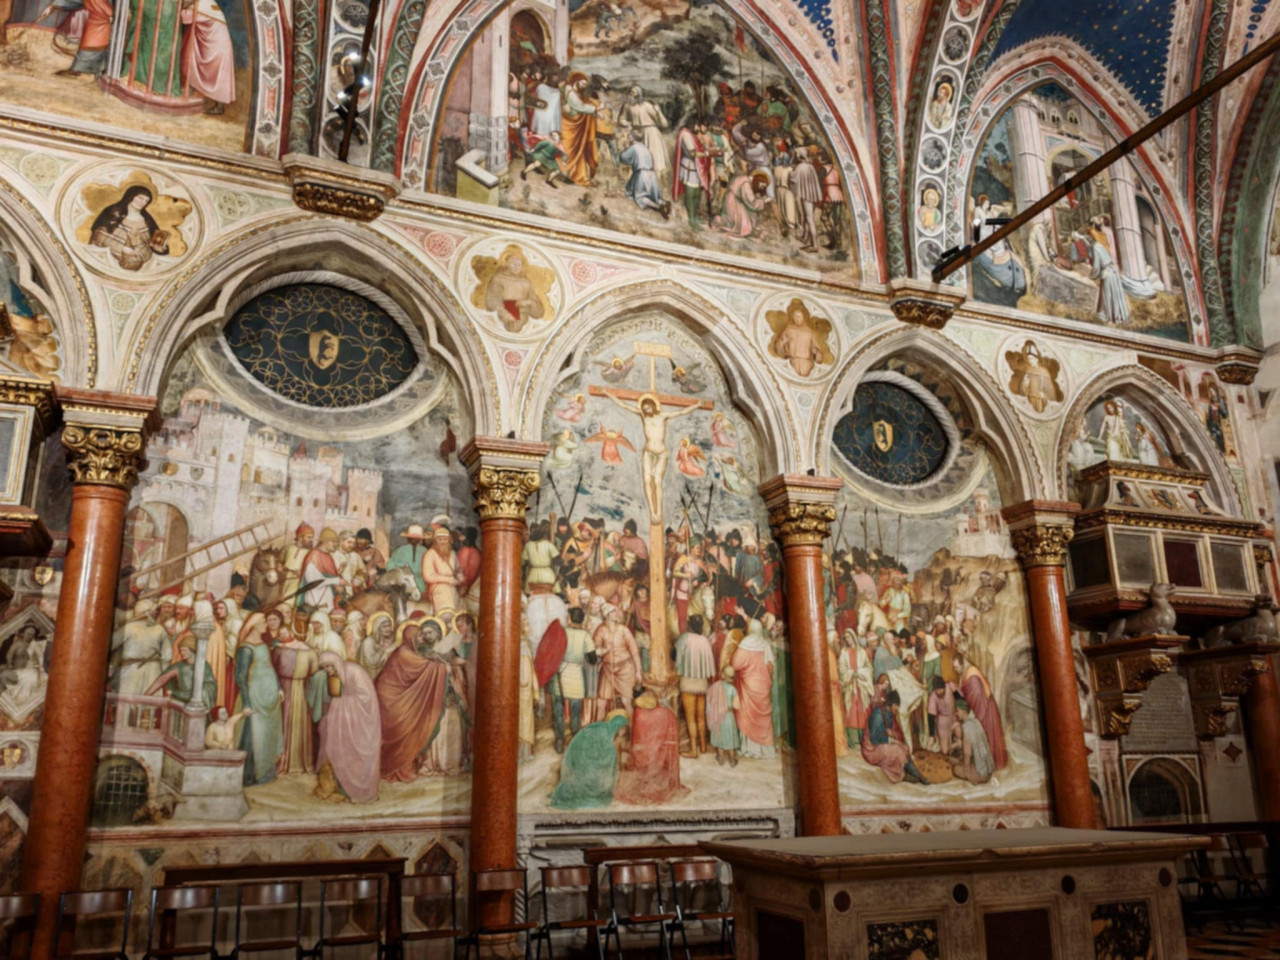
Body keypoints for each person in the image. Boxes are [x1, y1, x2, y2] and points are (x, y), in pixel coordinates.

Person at [375, 620, 450, 782]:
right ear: (411, 638)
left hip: (398, 700)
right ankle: (398, 770)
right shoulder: (404, 653)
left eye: (423, 635)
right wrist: (443, 667)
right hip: (392, 701)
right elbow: (426, 668)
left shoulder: (408, 651)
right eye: (419, 636)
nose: (423, 639)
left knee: (407, 734)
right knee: (403, 733)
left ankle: (404, 768)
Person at [310, 651, 382, 802]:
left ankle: (355, 791)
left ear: (336, 663)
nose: (327, 670)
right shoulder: (336, 675)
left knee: (354, 754)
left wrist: (340, 702)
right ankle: (336, 787)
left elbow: (365, 697)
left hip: (361, 721)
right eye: (324, 667)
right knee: (333, 744)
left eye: (329, 666)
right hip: (346, 721)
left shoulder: (353, 671)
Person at [235, 612, 285, 786]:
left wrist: (278, 687)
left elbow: (269, 667)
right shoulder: (245, 648)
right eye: (263, 621)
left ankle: (266, 773)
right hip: (255, 696)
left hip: (269, 696)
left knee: (267, 733)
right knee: (254, 733)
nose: (266, 623)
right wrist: (246, 702)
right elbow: (240, 677)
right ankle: (250, 776)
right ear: (254, 625)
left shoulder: (262, 644)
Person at [615, 690, 688, 805]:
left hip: (643, 760)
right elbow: (673, 717)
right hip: (658, 761)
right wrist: (665, 701)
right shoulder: (664, 713)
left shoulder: (638, 712)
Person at [549, 710, 629, 809]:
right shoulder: (607, 737)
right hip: (583, 763)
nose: (622, 732)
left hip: (579, 761)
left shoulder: (601, 727)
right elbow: (609, 759)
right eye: (622, 729)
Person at [272, 627, 320, 775]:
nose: (283, 635)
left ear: (292, 632)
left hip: (301, 689)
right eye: (280, 634)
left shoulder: (307, 650)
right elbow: (273, 668)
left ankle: (300, 763)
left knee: (300, 721)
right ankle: (283, 761)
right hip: (284, 688)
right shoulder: (278, 650)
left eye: (285, 632)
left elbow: (314, 670)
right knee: (284, 721)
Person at [89, 186, 171, 271]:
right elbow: (98, 235)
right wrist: (121, 248)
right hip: (110, 262)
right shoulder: (113, 212)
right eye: (140, 198)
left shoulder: (147, 219)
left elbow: (153, 242)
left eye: (146, 201)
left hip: (142, 264)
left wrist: (160, 249)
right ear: (131, 196)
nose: (142, 202)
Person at [730, 618, 775, 759]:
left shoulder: (746, 643)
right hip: (763, 685)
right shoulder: (765, 644)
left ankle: (749, 749)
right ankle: (764, 750)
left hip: (749, 685)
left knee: (748, 716)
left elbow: (735, 664)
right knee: (762, 718)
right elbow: (771, 667)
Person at [862, 690, 929, 784]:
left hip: (881, 743)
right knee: (896, 751)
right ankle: (902, 775)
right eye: (896, 705)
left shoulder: (889, 714)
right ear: (891, 704)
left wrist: (892, 735)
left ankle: (920, 776)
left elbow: (895, 733)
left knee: (904, 748)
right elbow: (873, 739)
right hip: (871, 749)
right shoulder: (878, 715)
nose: (897, 708)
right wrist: (889, 739)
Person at [180, 0, 236, 114]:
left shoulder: (201, 6)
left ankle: (218, 106)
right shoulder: (208, 3)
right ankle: (214, 103)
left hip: (216, 48)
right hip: (219, 46)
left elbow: (184, 18)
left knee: (218, 76)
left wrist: (181, 6)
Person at [674, 614, 716, 757]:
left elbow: (676, 656)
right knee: (701, 716)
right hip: (702, 682)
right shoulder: (705, 640)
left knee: (690, 718)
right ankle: (703, 746)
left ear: (689, 625)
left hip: (688, 682)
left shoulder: (685, 638)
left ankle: (693, 750)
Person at [111, 598, 169, 695]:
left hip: (146, 671)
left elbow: (111, 645)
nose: (156, 613)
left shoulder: (158, 629)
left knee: (142, 700)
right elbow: (167, 656)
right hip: (135, 670)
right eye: (154, 611)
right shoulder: (129, 628)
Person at [958, 656, 1007, 770]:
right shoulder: (966, 673)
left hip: (985, 711)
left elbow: (978, 699)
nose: (956, 670)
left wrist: (976, 719)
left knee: (986, 736)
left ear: (961, 664)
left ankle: (990, 765)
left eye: (956, 667)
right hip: (982, 709)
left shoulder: (972, 679)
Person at [594, 603, 642, 719]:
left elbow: (634, 651)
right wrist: (604, 650)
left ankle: (633, 727)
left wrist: (638, 671)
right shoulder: (601, 630)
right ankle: (599, 728)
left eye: (616, 611)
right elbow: (595, 650)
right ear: (606, 615)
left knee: (626, 701)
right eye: (612, 612)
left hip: (625, 669)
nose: (616, 614)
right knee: (601, 703)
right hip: (608, 669)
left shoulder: (623, 630)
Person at [144, 635, 217, 705]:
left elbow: (210, 687)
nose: (181, 653)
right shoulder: (179, 666)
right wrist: (146, 695)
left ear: (192, 649)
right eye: (180, 650)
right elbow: (162, 679)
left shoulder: (204, 666)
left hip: (197, 705)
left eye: (184, 650)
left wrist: (194, 695)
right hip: (180, 702)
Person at [618, 86, 670, 178]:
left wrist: (658, 111)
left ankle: (655, 181)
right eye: (630, 92)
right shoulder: (627, 106)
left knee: (654, 159)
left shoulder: (646, 106)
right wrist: (627, 124)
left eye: (633, 92)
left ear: (639, 94)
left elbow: (663, 124)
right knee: (638, 159)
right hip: (635, 133)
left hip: (650, 133)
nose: (630, 94)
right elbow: (621, 119)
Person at [560, 73, 599, 186]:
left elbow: (582, 103)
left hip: (576, 125)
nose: (583, 86)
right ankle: (567, 173)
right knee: (569, 149)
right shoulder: (569, 91)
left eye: (585, 84)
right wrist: (594, 109)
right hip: (569, 124)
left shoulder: (577, 91)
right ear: (577, 80)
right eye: (582, 83)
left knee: (578, 149)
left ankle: (574, 175)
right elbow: (579, 106)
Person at [618, 132, 669, 217]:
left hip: (642, 175)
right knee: (654, 196)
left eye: (629, 137)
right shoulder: (645, 148)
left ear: (632, 138)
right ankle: (662, 203)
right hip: (652, 175)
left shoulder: (634, 147)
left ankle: (658, 207)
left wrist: (626, 148)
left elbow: (623, 158)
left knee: (640, 197)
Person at [716, 171, 771, 239]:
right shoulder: (746, 183)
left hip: (733, 200)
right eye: (761, 186)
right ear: (758, 180)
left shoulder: (746, 179)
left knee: (750, 216)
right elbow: (751, 203)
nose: (761, 188)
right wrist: (763, 201)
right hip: (733, 203)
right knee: (745, 227)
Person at [422, 525, 464, 614]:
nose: (442, 542)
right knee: (446, 614)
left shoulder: (452, 554)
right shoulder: (430, 554)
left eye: (445, 539)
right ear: (435, 541)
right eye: (440, 539)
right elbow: (428, 576)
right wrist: (448, 579)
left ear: (449, 541)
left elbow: (458, 569)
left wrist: (460, 577)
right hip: (439, 589)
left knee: (457, 615)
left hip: (453, 589)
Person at [953, 696, 995, 784]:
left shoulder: (967, 727)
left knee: (956, 769)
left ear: (964, 711)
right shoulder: (975, 722)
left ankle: (974, 777)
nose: (956, 714)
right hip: (988, 770)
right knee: (959, 761)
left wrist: (967, 771)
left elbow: (967, 753)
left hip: (981, 774)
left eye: (957, 711)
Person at [707, 665, 740, 766]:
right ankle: (732, 760)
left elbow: (709, 701)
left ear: (722, 675)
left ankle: (720, 758)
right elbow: (737, 706)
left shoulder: (714, 687)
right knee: (730, 738)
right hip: (729, 717)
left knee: (719, 737)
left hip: (717, 716)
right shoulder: (733, 689)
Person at [387, 523, 427, 595]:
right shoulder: (400, 550)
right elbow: (391, 565)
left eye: (416, 538)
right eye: (412, 538)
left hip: (420, 584)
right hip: (405, 582)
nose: (414, 540)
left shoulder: (425, 551)